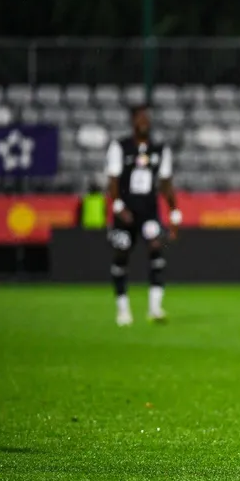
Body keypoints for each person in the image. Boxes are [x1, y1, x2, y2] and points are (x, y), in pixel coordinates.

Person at [105, 105, 181, 326]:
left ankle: (155, 308)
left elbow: (166, 184)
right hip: (125, 212)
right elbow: (113, 180)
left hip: (148, 211)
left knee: (156, 247)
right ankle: (123, 309)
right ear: (133, 122)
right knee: (121, 254)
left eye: (146, 118)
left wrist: (174, 214)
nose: (143, 122)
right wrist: (118, 206)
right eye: (139, 119)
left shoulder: (160, 150)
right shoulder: (120, 147)